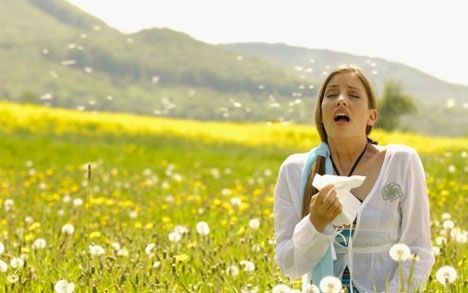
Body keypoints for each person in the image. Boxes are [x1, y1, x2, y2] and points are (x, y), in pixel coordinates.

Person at [273, 64, 434, 292]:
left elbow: (418, 251)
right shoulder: (294, 170)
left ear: (372, 117)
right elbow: (289, 265)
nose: (341, 100)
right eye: (331, 94)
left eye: (354, 94)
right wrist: (314, 224)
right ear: (321, 113)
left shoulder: (401, 162)